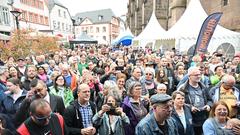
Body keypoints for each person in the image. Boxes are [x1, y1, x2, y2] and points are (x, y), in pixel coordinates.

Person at [177, 67, 212, 135]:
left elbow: (210, 100)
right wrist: (190, 107)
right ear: (189, 76)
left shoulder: (204, 87)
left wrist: (208, 105)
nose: (198, 76)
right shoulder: (182, 88)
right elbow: (178, 102)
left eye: (199, 74)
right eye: (196, 75)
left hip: (203, 117)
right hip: (190, 118)